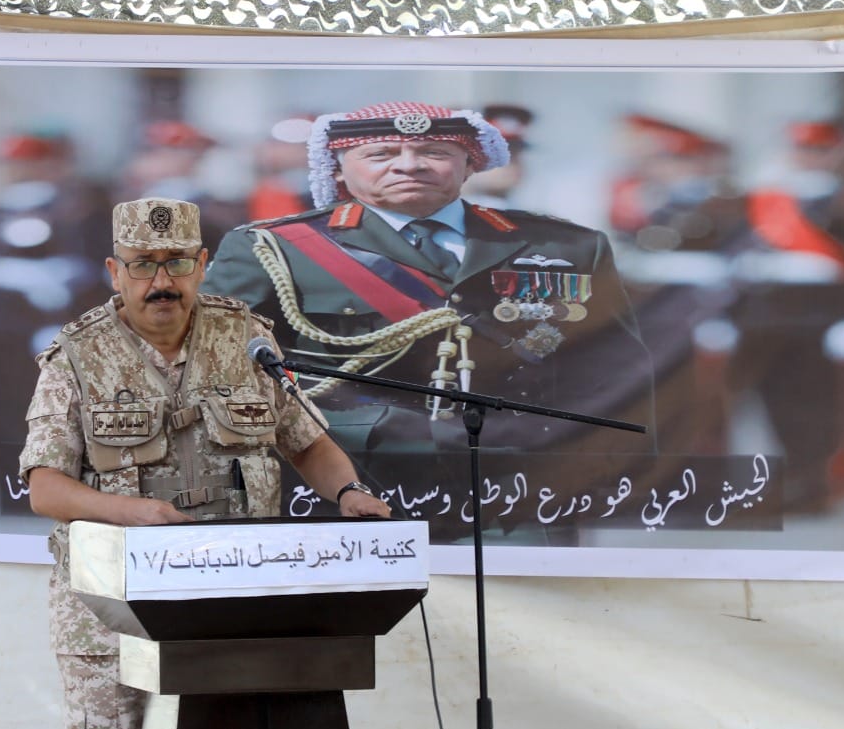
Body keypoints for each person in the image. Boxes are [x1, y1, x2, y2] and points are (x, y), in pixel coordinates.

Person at [19, 197, 389, 729]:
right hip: (109, 623)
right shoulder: (78, 356)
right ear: (115, 273)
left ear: (201, 267)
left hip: (231, 622)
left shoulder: (247, 339)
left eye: (178, 264)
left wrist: (348, 494)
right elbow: (47, 488)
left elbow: (307, 442)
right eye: (145, 267)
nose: (163, 281)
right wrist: (132, 513)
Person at [204, 101, 656, 535]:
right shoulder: (271, 248)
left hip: (519, 481)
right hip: (347, 478)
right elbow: (211, 370)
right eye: (381, 153)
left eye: (434, 153)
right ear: (338, 166)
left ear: (470, 164)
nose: (409, 165)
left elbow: (617, 368)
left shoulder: (567, 246)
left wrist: (625, 469)